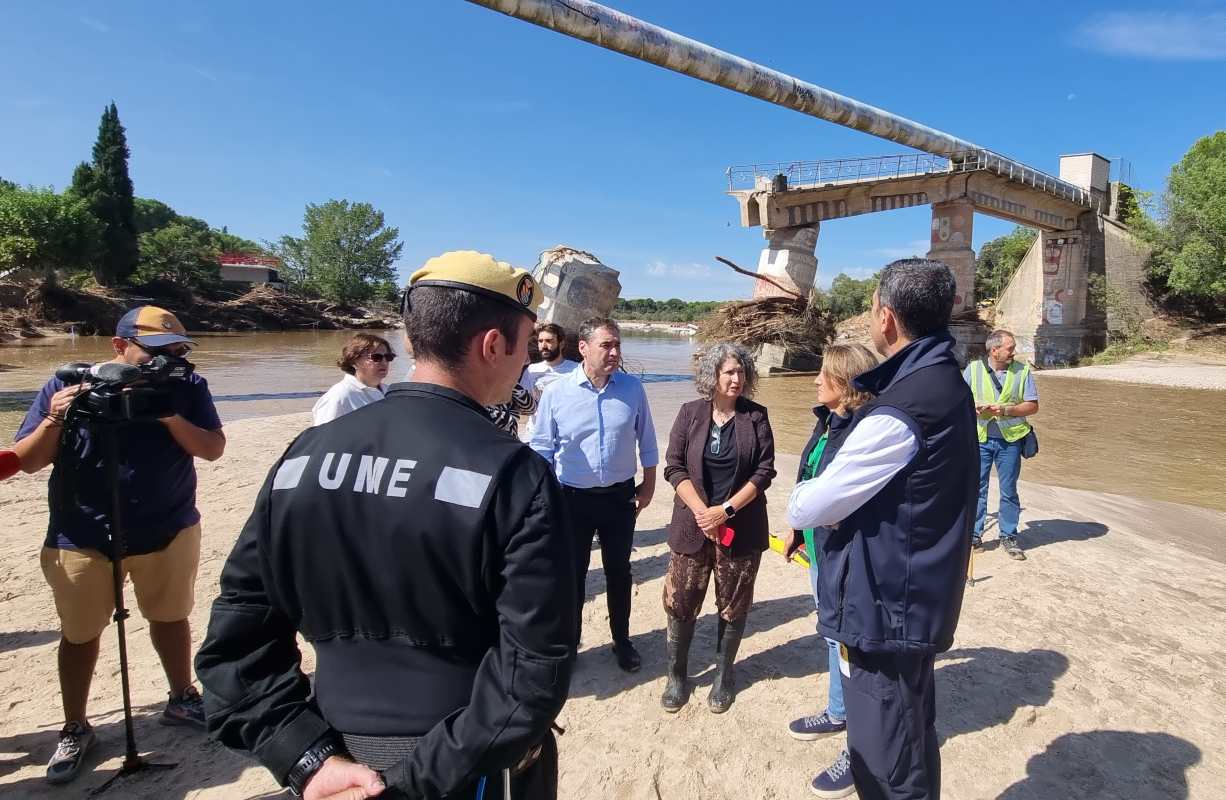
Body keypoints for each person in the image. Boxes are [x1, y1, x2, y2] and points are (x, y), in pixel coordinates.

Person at [196, 250, 576, 800]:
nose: (524, 363)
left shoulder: (305, 455)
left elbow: (234, 648)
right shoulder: (517, 475)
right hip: (465, 763)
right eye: (524, 342)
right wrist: (413, 784)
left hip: (333, 757)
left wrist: (306, 758)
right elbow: (532, 674)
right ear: (493, 345)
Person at [787, 259, 977, 800]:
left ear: (886, 318)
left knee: (886, 758)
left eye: (872, 308)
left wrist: (806, 497)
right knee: (911, 738)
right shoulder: (945, 382)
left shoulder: (902, 407)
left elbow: (809, 504)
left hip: (887, 607)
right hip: (912, 597)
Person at [13, 305, 225, 785]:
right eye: (154, 353)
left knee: (171, 618)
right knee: (81, 633)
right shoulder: (67, 385)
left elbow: (212, 449)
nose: (165, 361)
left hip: (167, 527)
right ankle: (76, 726)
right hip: (82, 534)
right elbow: (26, 461)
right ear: (118, 346)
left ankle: (181, 698)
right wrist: (54, 418)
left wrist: (168, 413)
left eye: (175, 351)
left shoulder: (186, 387)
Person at [530, 317, 658, 673]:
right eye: (607, 345)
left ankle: (622, 641)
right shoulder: (556, 391)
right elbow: (541, 448)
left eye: (617, 345)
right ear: (583, 348)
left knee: (620, 572)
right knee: (573, 575)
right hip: (571, 499)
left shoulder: (632, 389)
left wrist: (648, 484)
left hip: (619, 499)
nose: (615, 352)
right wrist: (546, 497)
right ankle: (569, 644)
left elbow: (646, 440)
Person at [779, 343, 878, 797]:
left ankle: (860, 752)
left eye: (823, 375)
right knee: (831, 635)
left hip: (848, 557)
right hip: (821, 548)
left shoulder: (864, 433)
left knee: (851, 650)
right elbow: (810, 479)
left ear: (844, 384)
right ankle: (838, 712)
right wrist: (800, 532)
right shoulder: (828, 421)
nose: (815, 381)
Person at [659, 342, 775, 714]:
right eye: (729, 372)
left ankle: (724, 676)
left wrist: (724, 511)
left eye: (741, 372)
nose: (736, 378)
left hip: (740, 527)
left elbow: (764, 471)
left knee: (734, 605)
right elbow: (674, 466)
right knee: (680, 603)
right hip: (693, 526)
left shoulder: (756, 417)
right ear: (712, 375)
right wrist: (702, 513)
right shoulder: (690, 413)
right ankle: (677, 675)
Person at [964, 329, 1039, 560]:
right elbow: (957, 400)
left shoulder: (1022, 371)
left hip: (1011, 441)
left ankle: (1008, 535)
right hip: (980, 439)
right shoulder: (973, 370)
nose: (1013, 352)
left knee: (1009, 491)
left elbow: (1032, 406)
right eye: (1010, 348)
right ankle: (974, 535)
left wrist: (1006, 410)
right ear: (994, 350)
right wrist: (971, 406)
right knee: (977, 488)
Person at [311, 333, 394, 426]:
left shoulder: (390, 392)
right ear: (354, 361)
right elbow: (324, 437)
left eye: (388, 357)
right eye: (376, 357)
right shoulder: (339, 396)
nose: (384, 362)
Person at [521, 323, 578, 400]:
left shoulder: (576, 370)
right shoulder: (531, 370)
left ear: (561, 344)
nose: (544, 346)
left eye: (549, 341)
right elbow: (523, 401)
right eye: (540, 341)